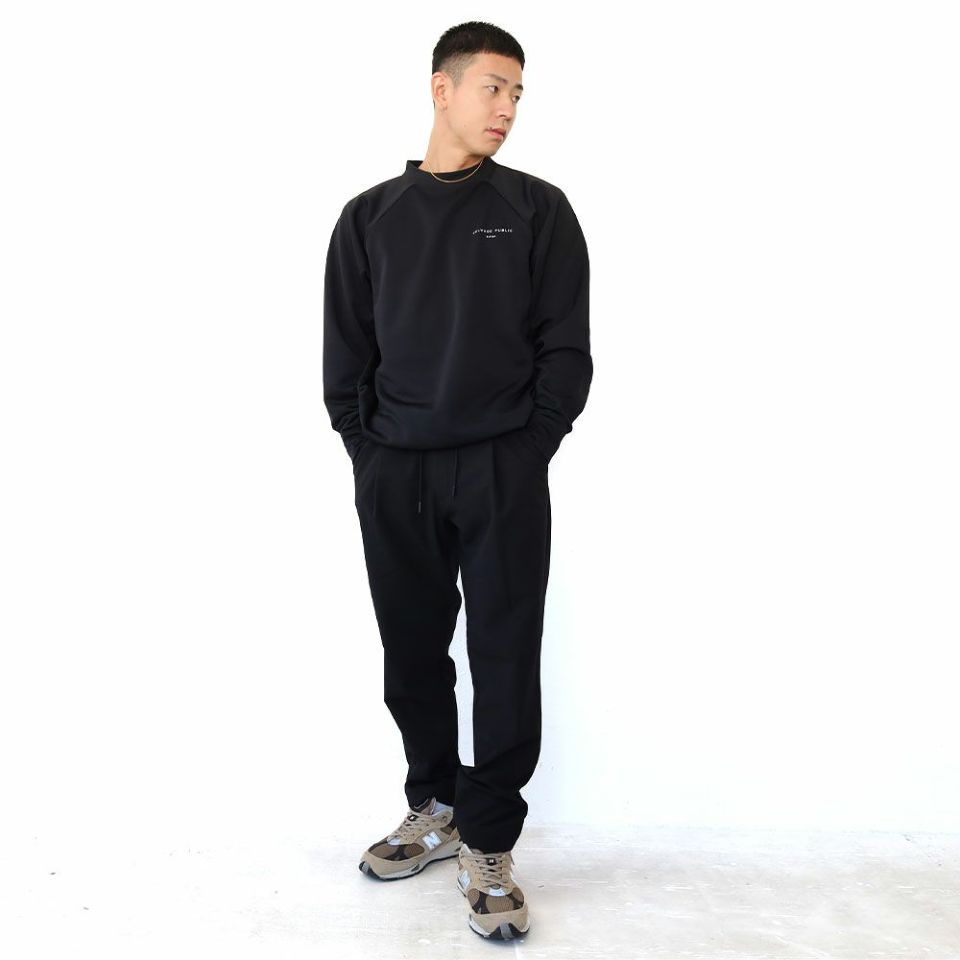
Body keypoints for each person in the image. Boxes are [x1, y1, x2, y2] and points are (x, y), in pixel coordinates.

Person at [322, 21, 592, 941]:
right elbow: (346, 355)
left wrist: (526, 448)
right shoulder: (369, 217)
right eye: (493, 87)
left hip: (500, 468)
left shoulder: (537, 209)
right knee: (411, 651)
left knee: (505, 653)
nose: (507, 108)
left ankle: (489, 841)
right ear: (442, 89)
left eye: (518, 93)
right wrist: (368, 452)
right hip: (395, 470)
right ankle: (434, 804)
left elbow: (566, 348)